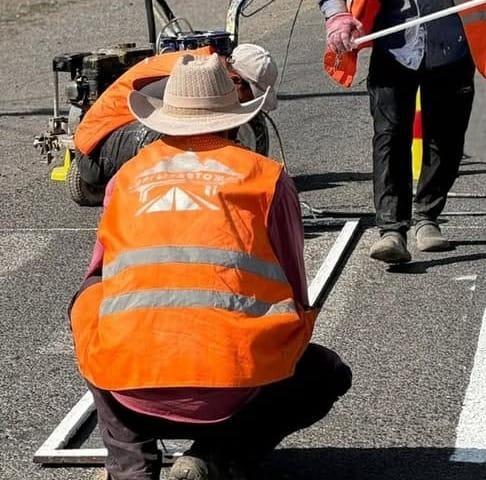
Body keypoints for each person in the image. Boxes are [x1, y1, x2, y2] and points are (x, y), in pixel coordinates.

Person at [69, 53, 352, 480]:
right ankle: (219, 455)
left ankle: (130, 463)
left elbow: (102, 273)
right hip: (233, 390)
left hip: (131, 388)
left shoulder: (126, 178)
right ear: (236, 117)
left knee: (89, 301)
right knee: (325, 374)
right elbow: (296, 290)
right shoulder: (265, 176)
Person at [319, 0, 486, 263]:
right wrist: (337, 15)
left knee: (446, 139)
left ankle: (427, 217)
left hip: (453, 48)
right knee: (389, 137)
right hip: (393, 47)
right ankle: (392, 230)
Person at [70, 43, 279, 205]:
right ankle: (162, 189)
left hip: (107, 141)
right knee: (182, 126)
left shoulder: (206, 66)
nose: (249, 103)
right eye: (251, 95)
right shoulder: (194, 76)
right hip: (95, 152)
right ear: (236, 80)